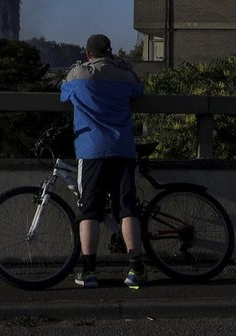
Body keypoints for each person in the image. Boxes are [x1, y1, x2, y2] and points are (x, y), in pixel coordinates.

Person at [60, 34, 146, 289]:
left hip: (92, 151)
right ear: (110, 52)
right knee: (127, 208)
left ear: (89, 53)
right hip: (123, 149)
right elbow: (139, 89)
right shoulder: (123, 75)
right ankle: (135, 270)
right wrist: (123, 65)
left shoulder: (79, 75)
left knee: (90, 211)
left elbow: (63, 91)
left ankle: (89, 273)